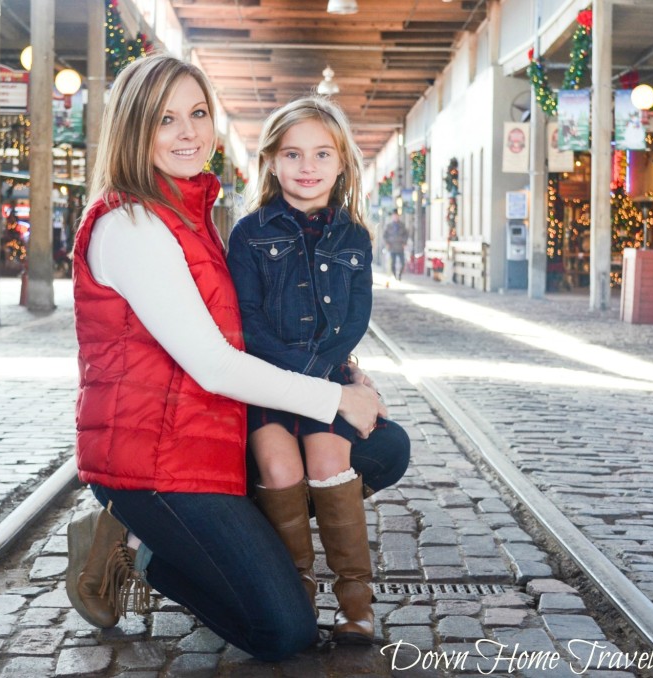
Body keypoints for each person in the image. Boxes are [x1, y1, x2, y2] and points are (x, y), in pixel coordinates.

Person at [64, 53, 402, 662]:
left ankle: (212, 545)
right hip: (155, 464)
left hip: (208, 438)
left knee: (382, 445)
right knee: (284, 631)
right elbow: (215, 365)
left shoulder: (190, 213)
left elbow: (257, 324)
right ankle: (143, 549)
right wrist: (335, 398)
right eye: (166, 120)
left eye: (198, 114)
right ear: (133, 128)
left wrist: (342, 371)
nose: (189, 133)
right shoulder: (133, 224)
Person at [225, 96, 392, 644]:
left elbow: (355, 319)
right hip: (270, 381)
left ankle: (356, 603)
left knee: (327, 463)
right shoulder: (249, 234)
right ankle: (296, 595)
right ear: (271, 161)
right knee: (278, 469)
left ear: (342, 161)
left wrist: (324, 376)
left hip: (327, 380)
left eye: (322, 154)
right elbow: (246, 321)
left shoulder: (355, 238)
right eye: (292, 154)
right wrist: (305, 377)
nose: (307, 167)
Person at [384, 212, 409, 281]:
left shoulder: (402, 225)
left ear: (398, 216)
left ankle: (400, 274)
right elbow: (385, 235)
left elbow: (406, 235)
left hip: (400, 247)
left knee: (403, 263)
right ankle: (395, 275)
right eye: (394, 216)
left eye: (396, 216)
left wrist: (404, 243)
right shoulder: (389, 226)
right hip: (392, 247)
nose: (395, 217)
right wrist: (387, 243)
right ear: (392, 217)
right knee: (393, 263)